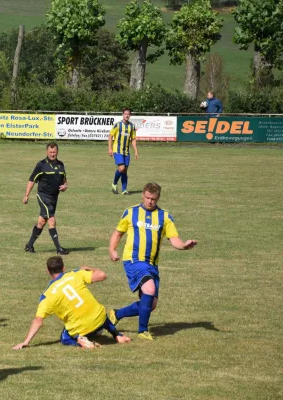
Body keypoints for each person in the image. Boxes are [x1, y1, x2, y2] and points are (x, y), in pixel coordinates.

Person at [108, 182, 197, 340]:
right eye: (148, 198)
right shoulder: (130, 212)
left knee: (150, 305)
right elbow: (117, 233)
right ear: (143, 195)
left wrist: (184, 245)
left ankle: (116, 314)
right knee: (149, 289)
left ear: (158, 198)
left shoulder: (165, 217)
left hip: (152, 264)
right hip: (133, 260)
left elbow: (174, 239)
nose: (150, 201)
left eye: (153, 199)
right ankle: (143, 331)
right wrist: (112, 250)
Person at [12, 256, 131, 350]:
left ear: (48, 271)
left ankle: (80, 340)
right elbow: (102, 275)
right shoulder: (75, 274)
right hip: (99, 319)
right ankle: (117, 335)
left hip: (80, 327)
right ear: (63, 268)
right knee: (99, 312)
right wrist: (89, 268)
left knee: (64, 337)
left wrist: (26, 342)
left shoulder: (47, 295)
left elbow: (38, 321)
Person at [23, 142, 69, 255]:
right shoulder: (41, 165)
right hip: (43, 196)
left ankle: (29, 245)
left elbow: (64, 180)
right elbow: (32, 179)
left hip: (54, 197)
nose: (52, 154)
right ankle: (59, 248)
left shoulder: (61, 165)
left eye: (54, 152)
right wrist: (26, 195)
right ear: (47, 152)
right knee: (51, 220)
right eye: (50, 152)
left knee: (41, 222)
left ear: (57, 152)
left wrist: (65, 186)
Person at [108, 108, 138, 195]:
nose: (127, 115)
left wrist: (136, 151)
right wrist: (110, 148)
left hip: (126, 152)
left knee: (125, 171)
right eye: (125, 114)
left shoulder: (132, 126)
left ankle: (124, 190)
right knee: (121, 168)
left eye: (128, 114)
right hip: (117, 151)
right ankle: (114, 183)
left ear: (130, 115)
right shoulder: (117, 125)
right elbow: (110, 136)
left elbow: (133, 139)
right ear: (123, 114)